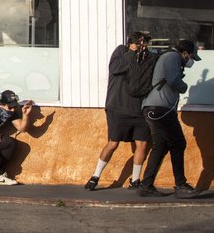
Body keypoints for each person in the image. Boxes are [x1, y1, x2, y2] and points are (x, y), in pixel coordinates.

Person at [85, 32, 153, 191]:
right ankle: (95, 176)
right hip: (118, 107)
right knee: (113, 143)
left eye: (145, 44)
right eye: (140, 43)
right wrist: (131, 52)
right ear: (131, 43)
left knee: (142, 143)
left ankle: (135, 180)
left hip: (139, 109)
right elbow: (115, 68)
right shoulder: (122, 52)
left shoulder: (148, 58)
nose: (143, 47)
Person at [137, 40, 202, 199]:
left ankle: (146, 185)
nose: (191, 61)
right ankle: (180, 185)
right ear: (185, 52)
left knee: (161, 146)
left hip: (156, 109)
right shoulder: (172, 57)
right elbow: (173, 81)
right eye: (191, 57)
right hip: (160, 109)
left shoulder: (170, 58)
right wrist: (184, 87)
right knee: (178, 143)